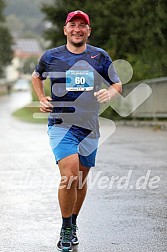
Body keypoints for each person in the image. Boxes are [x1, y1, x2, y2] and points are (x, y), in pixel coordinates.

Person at [32, 10, 122, 252]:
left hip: (89, 126)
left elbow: (117, 82)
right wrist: (42, 98)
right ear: (65, 29)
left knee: (81, 178)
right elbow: (36, 76)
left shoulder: (99, 56)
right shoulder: (51, 57)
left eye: (83, 25)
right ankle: (65, 228)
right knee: (70, 174)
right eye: (73, 24)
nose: (77, 29)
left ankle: (72, 223)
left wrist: (109, 92)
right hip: (61, 124)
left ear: (88, 31)